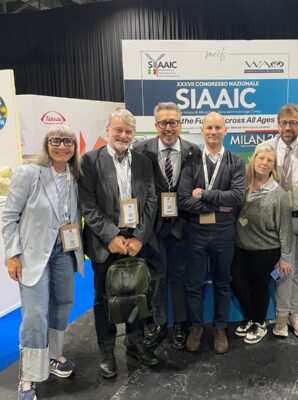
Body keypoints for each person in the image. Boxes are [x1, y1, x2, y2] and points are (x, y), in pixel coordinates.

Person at [2, 125, 84, 400]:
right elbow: (9, 216)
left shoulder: (75, 176)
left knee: (63, 304)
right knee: (35, 314)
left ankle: (52, 356)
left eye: (68, 141)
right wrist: (12, 254)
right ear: (46, 144)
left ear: (74, 147)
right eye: (56, 140)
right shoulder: (28, 174)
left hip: (65, 251)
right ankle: (28, 376)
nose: (62, 146)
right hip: (33, 254)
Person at [79, 109, 159, 379]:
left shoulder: (144, 161)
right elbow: (88, 205)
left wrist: (139, 237)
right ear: (108, 130)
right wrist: (111, 236)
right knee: (104, 299)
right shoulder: (90, 160)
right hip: (105, 243)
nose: (123, 135)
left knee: (137, 293)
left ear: (134, 134)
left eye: (128, 131)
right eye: (118, 130)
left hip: (136, 240)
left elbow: (151, 200)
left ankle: (135, 344)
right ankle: (106, 351)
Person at [133, 102, 201, 350]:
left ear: (180, 124)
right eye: (163, 123)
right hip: (151, 227)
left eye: (173, 122)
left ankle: (180, 323)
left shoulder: (193, 151)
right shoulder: (141, 150)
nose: (168, 128)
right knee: (155, 277)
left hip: (183, 225)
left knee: (180, 277)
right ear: (156, 126)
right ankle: (158, 323)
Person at [178, 112, 246, 354]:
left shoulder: (236, 162)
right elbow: (183, 200)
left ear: (225, 130)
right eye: (209, 127)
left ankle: (220, 327)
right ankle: (195, 326)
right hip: (195, 231)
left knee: (222, 282)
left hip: (224, 233)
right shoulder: (191, 162)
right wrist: (218, 205)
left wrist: (205, 194)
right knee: (193, 283)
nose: (213, 132)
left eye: (218, 127)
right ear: (202, 130)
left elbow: (237, 197)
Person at [261, 104, 298, 338]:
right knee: (283, 269)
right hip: (278, 222)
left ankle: (296, 314)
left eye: (293, 123)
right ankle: (282, 316)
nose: (287, 128)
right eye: (283, 123)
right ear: (277, 125)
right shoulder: (265, 148)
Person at [231, 144, 293, 344]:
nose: (264, 163)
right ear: (253, 160)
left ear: (274, 166)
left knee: (259, 287)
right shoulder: (242, 186)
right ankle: (251, 317)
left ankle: (259, 323)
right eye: (261, 158)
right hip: (240, 247)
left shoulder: (279, 194)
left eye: (269, 160)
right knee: (236, 281)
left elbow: (285, 228)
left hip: (266, 250)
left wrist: (285, 257)